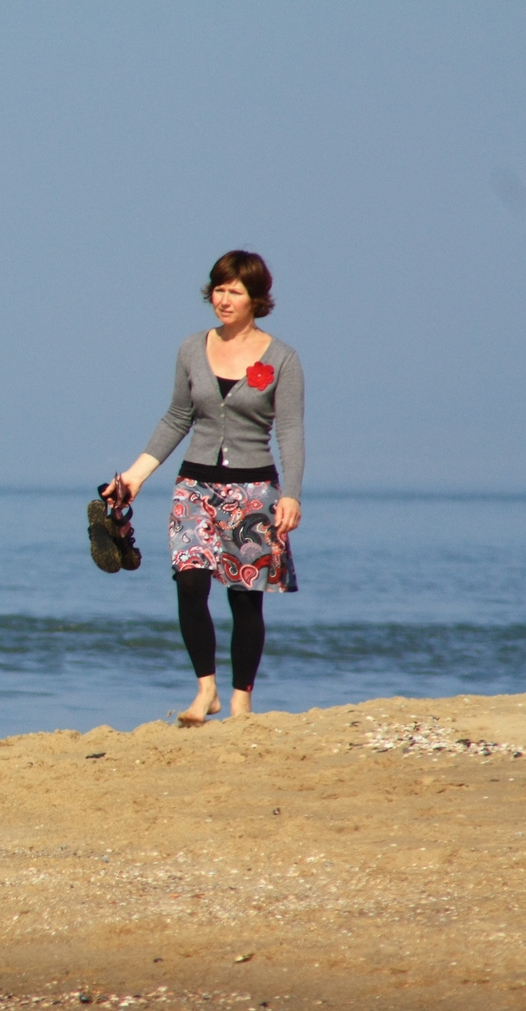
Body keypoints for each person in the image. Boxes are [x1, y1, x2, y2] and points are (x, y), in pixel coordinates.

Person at [104, 250, 303, 725]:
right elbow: (177, 417)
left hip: (254, 492)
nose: (224, 298)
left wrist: (291, 493)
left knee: (243, 598)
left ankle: (240, 699)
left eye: (235, 290)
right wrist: (133, 477)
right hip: (195, 486)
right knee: (190, 583)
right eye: (219, 288)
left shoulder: (282, 358)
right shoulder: (192, 348)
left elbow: (290, 431)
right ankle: (205, 691)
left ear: (256, 298)